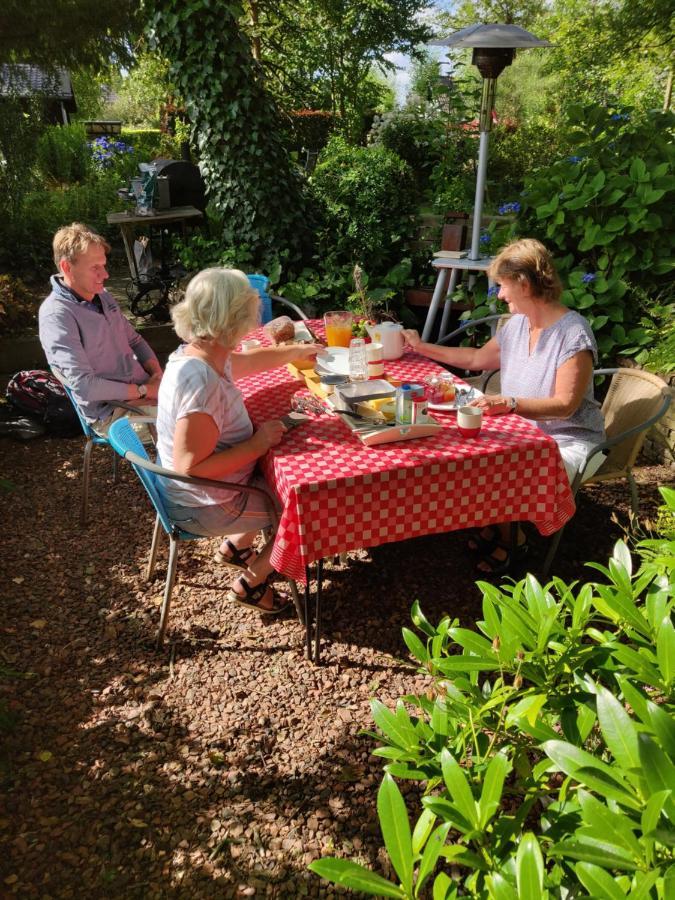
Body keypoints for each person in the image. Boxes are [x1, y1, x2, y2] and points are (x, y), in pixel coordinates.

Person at [402, 238, 605, 575]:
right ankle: (501, 524)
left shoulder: (573, 334)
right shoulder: (517, 325)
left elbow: (566, 406)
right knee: (463, 450)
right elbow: (476, 358)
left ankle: (514, 541)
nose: (499, 295)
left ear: (523, 284)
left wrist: (509, 403)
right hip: (522, 430)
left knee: (498, 466)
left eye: (502, 286)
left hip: (569, 440)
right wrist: (422, 348)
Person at [157, 267, 322, 614]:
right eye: (251, 309)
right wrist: (256, 445)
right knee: (309, 508)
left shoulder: (200, 353)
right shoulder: (201, 383)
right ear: (234, 319)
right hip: (206, 505)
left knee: (284, 477)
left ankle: (236, 547)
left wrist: (296, 352)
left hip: (203, 493)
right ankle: (251, 582)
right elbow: (191, 467)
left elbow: (247, 361)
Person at [39, 223, 162, 434]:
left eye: (104, 265)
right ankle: (168, 467)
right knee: (195, 423)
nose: (105, 275)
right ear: (67, 267)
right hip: (112, 414)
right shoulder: (57, 316)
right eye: (95, 267)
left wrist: (156, 373)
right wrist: (144, 390)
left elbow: (134, 341)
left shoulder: (101, 296)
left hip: (142, 394)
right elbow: (85, 386)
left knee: (213, 399)